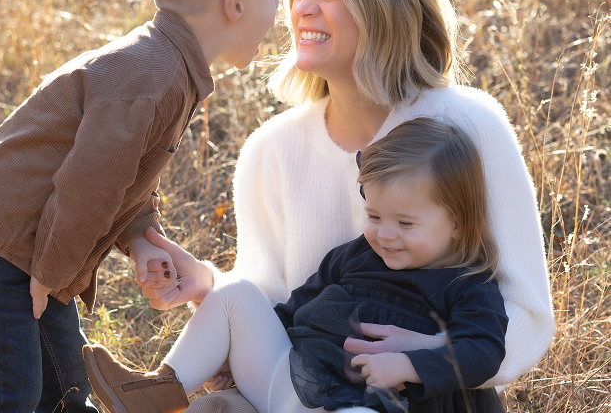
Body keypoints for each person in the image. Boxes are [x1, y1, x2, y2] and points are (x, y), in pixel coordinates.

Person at [128, 0, 554, 412]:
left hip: (431, 397)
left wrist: (423, 356)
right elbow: (279, 305)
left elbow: (527, 316)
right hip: (316, 386)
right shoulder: (271, 149)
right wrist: (205, 284)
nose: (304, 9)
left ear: (387, 6)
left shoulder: (465, 125)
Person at [0, 0, 281, 413]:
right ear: (235, 3)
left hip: (31, 245)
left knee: (68, 391)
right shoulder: (153, 77)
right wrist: (50, 276)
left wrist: (141, 240)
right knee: (12, 394)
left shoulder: (168, 67)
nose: (279, 5)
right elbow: (86, 190)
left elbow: (125, 177)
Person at [84, 117, 509, 413]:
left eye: (406, 223)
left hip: (365, 404)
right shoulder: (357, 254)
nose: (385, 234)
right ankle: (159, 389)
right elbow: (292, 311)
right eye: (375, 216)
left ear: (457, 221)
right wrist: (235, 354)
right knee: (236, 296)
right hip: (291, 383)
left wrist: (410, 365)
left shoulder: (468, 283)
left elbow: (484, 352)